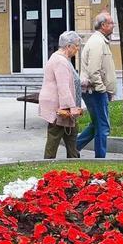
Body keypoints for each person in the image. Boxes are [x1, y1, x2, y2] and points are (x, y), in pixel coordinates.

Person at [78, 12, 118, 158]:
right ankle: (100, 159)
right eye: (111, 23)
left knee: (96, 124)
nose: (113, 25)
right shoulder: (97, 42)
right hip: (95, 91)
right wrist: (102, 90)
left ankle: (74, 148)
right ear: (103, 25)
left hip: (95, 90)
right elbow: (94, 71)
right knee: (103, 126)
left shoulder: (101, 41)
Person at [39, 30, 84, 159]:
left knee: (71, 136)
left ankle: (74, 164)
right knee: (55, 138)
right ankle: (48, 165)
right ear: (68, 46)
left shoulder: (62, 59)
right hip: (60, 109)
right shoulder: (60, 61)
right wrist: (72, 108)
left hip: (62, 108)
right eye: (76, 46)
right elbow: (63, 87)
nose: (78, 49)